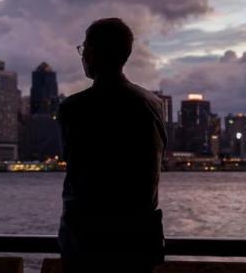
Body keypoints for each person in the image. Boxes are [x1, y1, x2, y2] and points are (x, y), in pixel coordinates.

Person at [57, 18, 167, 272]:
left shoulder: (74, 108)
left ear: (92, 53)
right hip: (139, 241)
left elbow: (76, 165)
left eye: (83, 48)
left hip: (88, 243)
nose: (82, 55)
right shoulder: (153, 104)